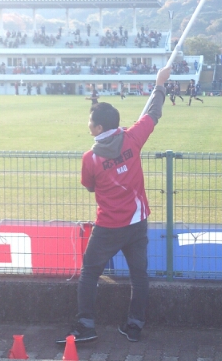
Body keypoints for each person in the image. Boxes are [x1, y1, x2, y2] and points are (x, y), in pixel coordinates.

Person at [58, 66, 171, 346]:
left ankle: (86, 325)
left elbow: (89, 186)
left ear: (98, 128)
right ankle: (135, 325)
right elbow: (153, 113)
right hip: (137, 223)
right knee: (139, 276)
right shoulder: (132, 137)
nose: (88, 124)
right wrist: (160, 84)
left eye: (90, 121)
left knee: (89, 273)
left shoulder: (90, 158)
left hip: (108, 226)